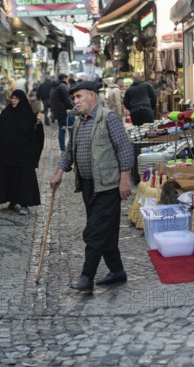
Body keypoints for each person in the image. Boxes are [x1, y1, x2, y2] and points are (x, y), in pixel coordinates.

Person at [50, 81, 134, 293]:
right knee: (106, 232)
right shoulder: (79, 122)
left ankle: (87, 278)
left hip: (108, 186)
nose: (75, 102)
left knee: (95, 232)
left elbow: (124, 149)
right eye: (74, 98)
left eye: (79, 97)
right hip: (88, 186)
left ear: (92, 96)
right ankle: (117, 272)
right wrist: (60, 171)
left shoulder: (109, 118)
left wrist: (124, 179)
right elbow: (70, 149)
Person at [0, 90, 44, 215]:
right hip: (7, 154)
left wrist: (39, 125)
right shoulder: (6, 114)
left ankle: (24, 203)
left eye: (16, 98)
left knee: (24, 178)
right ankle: (13, 200)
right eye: (12, 98)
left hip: (23, 154)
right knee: (9, 176)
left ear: (22, 100)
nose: (13, 100)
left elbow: (35, 134)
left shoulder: (28, 115)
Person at [49, 73, 75, 152]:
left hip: (58, 113)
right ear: (64, 79)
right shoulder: (62, 86)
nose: (67, 80)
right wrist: (73, 108)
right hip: (66, 112)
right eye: (67, 79)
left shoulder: (55, 86)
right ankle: (72, 147)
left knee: (62, 130)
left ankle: (63, 148)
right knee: (72, 130)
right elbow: (68, 99)